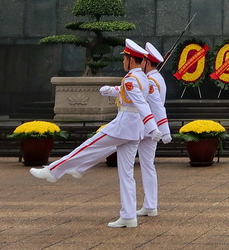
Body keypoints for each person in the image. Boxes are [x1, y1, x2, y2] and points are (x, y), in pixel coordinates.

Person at [30, 39, 162, 229]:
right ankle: (128, 216)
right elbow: (130, 95)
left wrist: (153, 128)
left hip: (124, 124)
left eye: (124, 58)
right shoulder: (142, 78)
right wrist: (110, 91)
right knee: (125, 174)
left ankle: (53, 170)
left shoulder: (132, 78)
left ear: (131, 60)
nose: (123, 62)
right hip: (134, 129)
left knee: (88, 146)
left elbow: (141, 104)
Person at [136, 42, 172, 218]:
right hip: (152, 127)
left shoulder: (149, 81)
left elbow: (156, 107)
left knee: (129, 165)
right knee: (147, 166)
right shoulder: (158, 79)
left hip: (145, 128)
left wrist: (164, 131)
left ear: (146, 62)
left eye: (141, 60)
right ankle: (150, 204)